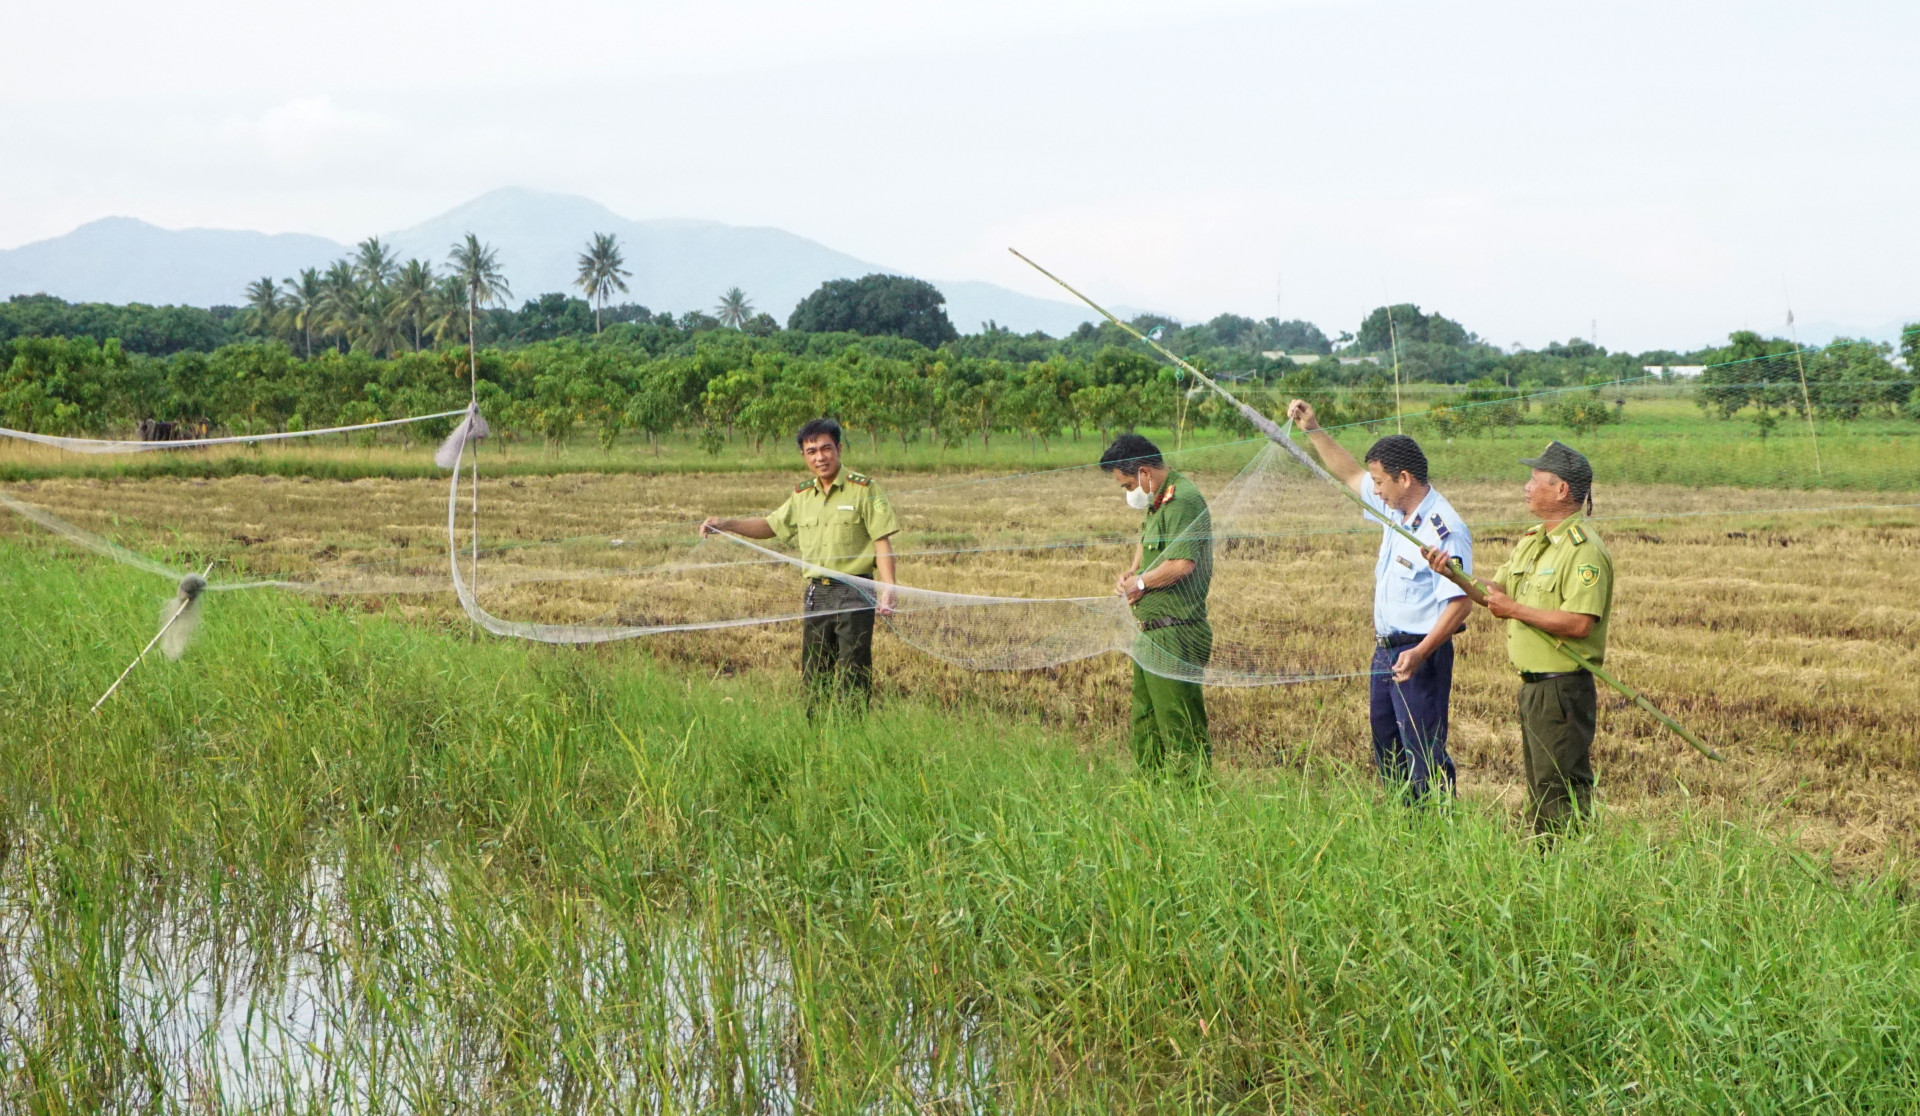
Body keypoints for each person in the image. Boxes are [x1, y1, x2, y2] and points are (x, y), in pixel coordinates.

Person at [1287, 401, 1473, 801]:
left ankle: (1435, 832)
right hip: (1385, 654)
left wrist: (1421, 652)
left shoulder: (1443, 528)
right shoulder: (1395, 510)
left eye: (1380, 482)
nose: (1374, 490)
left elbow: (1460, 603)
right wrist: (1313, 428)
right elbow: (1350, 474)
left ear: (1404, 478)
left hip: (1419, 657)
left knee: (1424, 755)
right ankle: (1403, 830)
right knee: (1388, 750)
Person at [1432, 440, 1612, 834]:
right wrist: (1453, 573)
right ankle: (1550, 867)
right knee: (1541, 784)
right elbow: (1494, 592)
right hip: (1535, 688)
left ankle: (1568, 868)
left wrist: (1514, 610)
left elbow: (1580, 623)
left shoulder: (1583, 551)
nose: (1526, 487)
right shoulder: (1533, 541)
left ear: (1562, 489)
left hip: (1562, 688)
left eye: (1535, 480)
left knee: (1558, 788)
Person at [701, 417, 900, 715]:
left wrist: (887, 588)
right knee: (814, 673)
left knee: (854, 671)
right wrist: (725, 524)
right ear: (804, 456)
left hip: (856, 591)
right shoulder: (802, 495)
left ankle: (851, 738)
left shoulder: (865, 489)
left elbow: (882, 542)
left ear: (839, 449)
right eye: (811, 451)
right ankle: (815, 736)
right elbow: (771, 525)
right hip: (817, 594)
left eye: (826, 449)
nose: (820, 457)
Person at [1101, 433, 1213, 779]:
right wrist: (1133, 574)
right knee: (1146, 722)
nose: (1127, 493)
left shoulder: (1183, 501)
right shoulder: (1159, 501)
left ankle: (1192, 802)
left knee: (1180, 726)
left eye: (1126, 485)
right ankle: (1149, 797)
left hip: (1175, 632)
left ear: (1145, 473)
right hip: (1151, 632)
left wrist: (1143, 583)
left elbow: (1182, 564)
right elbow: (1148, 544)